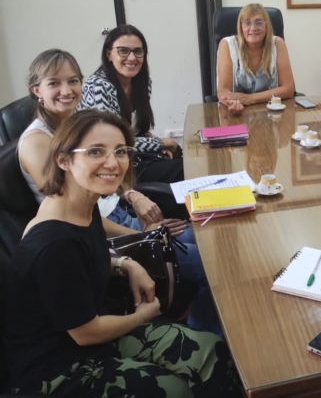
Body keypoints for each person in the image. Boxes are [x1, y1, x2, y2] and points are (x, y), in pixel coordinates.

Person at [5, 109, 238, 396]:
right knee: (173, 390)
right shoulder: (54, 243)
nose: (113, 163)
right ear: (63, 160)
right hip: (57, 366)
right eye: (95, 151)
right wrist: (144, 315)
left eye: (121, 151)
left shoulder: (80, 207)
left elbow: (85, 260)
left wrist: (124, 264)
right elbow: (86, 333)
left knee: (211, 351)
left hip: (93, 335)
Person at [19, 49, 221, 336]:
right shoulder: (38, 143)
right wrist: (144, 236)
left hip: (111, 217)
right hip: (101, 232)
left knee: (207, 238)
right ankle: (204, 336)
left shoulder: (78, 123)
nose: (67, 90)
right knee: (212, 263)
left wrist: (134, 197)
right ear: (37, 90)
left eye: (73, 80)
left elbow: (108, 170)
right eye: (54, 83)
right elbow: (76, 213)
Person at [77, 25, 184, 184]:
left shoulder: (142, 82)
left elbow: (136, 130)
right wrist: (163, 142)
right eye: (123, 51)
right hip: (111, 165)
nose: (132, 58)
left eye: (138, 51)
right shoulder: (98, 87)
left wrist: (155, 143)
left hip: (133, 157)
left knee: (184, 164)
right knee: (185, 169)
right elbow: (112, 144)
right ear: (109, 54)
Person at [216, 3, 295, 110]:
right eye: (247, 23)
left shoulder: (277, 44)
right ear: (240, 27)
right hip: (238, 110)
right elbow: (223, 91)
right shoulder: (228, 45)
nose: (253, 28)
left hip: (272, 111)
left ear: (267, 26)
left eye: (259, 23)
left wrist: (250, 99)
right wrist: (232, 104)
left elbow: (288, 89)